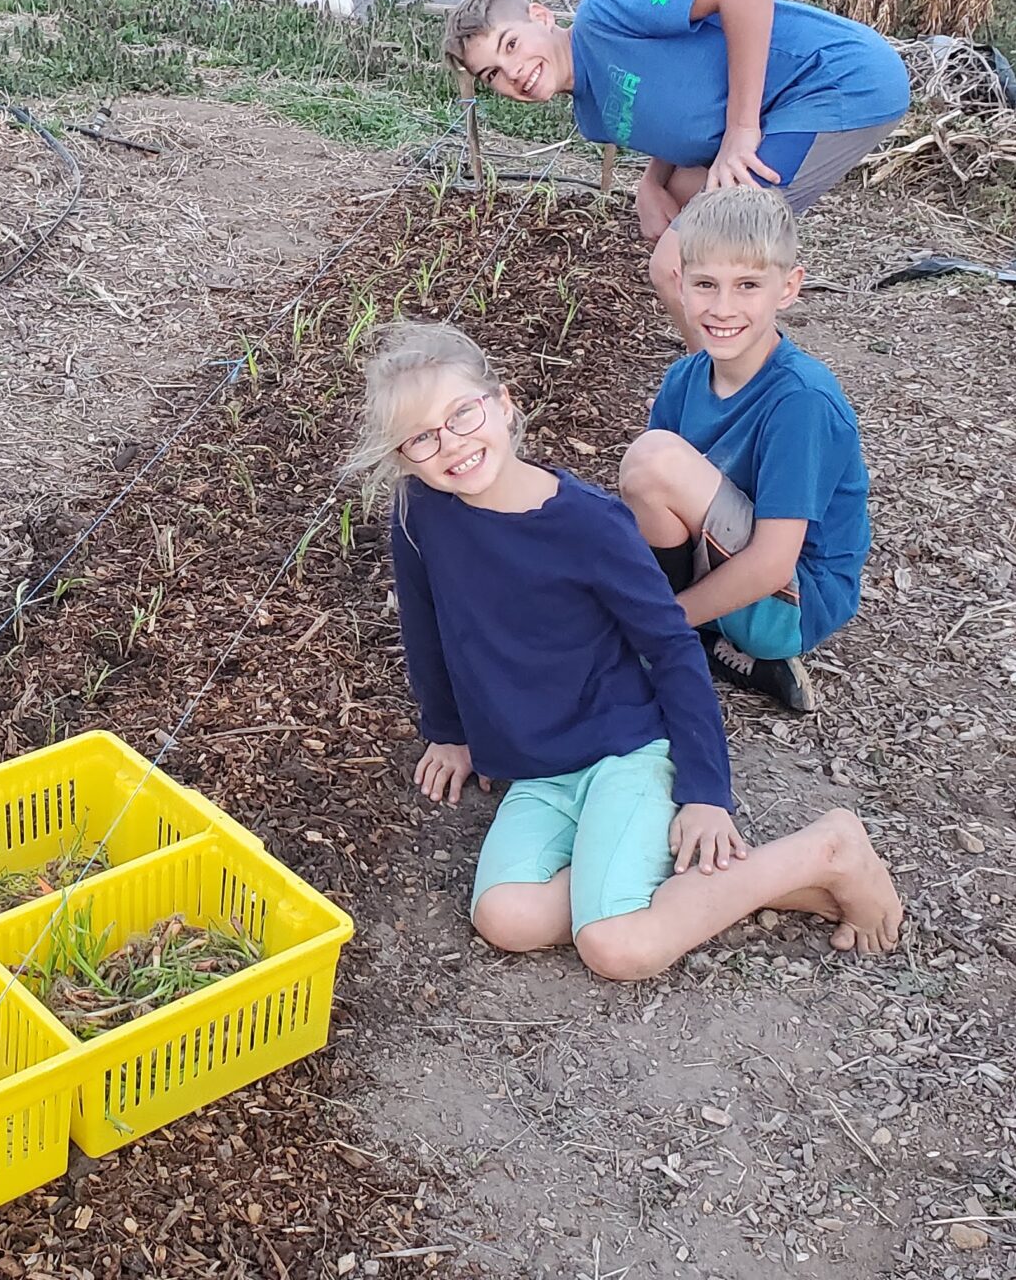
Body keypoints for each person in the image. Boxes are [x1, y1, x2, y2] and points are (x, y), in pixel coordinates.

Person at [349, 321, 902, 980]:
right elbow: (423, 622)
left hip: (625, 750)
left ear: (503, 403)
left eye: (462, 414)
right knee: (503, 916)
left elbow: (672, 649)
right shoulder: (420, 512)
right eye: (422, 437)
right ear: (404, 456)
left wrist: (705, 793)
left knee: (616, 947)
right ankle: (694, 879)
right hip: (541, 770)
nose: (452, 445)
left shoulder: (590, 525)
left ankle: (826, 850)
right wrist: (447, 730)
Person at [441, 0, 909, 347]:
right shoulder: (591, 116)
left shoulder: (605, 13)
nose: (513, 71)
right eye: (493, 74)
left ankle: (725, 396)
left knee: (673, 265)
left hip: (834, 80)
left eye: (512, 44)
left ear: (541, 17)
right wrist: (651, 181)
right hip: (781, 114)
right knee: (680, 202)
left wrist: (742, 130)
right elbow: (676, 118)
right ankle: (740, 366)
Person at [616, 187, 870, 715]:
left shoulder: (800, 400)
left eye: (748, 285)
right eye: (705, 284)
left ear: (788, 287)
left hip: (791, 598)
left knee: (653, 461)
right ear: (680, 286)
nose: (722, 307)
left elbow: (776, 562)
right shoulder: (686, 378)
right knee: (633, 490)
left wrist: (659, 621)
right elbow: (651, 514)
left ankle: (676, 635)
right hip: (732, 569)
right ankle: (712, 641)